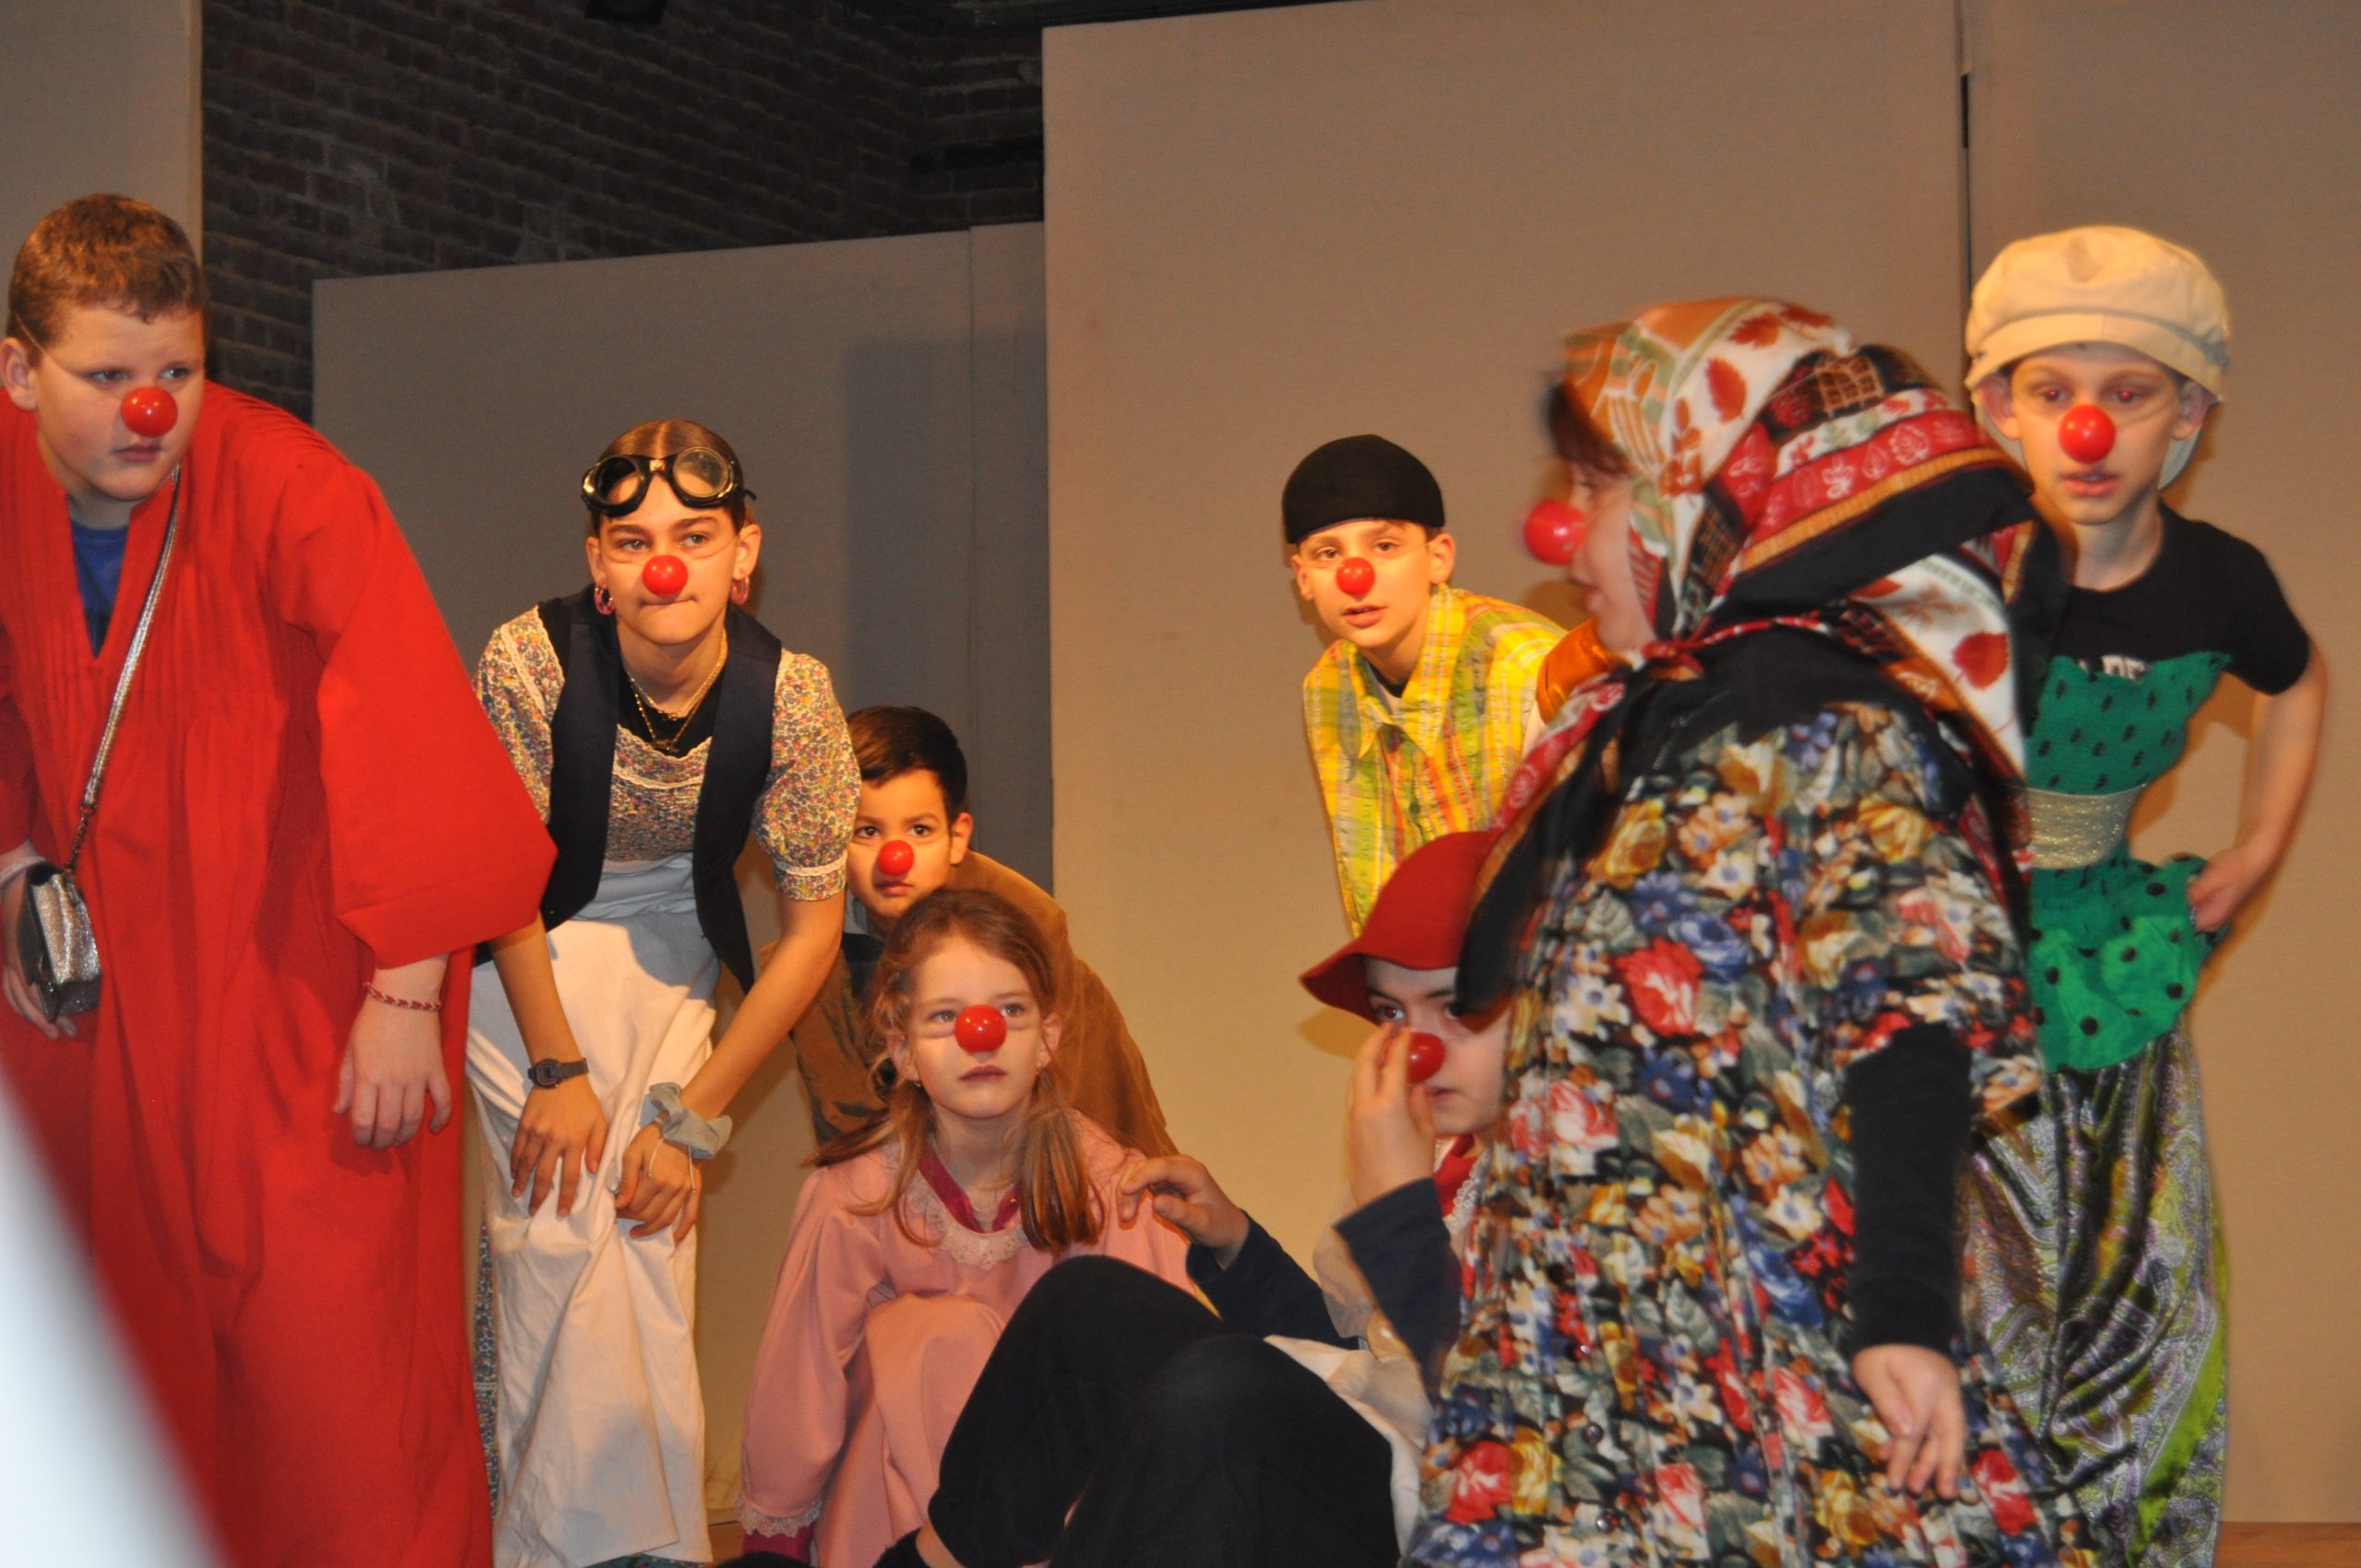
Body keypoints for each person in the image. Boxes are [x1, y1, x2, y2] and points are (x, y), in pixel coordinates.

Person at [1421, 298, 2097, 1564]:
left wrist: (1904, 1312)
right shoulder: (1638, 727)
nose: (1553, 529)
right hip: (1593, 1356)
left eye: (1595, 486)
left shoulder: (1828, 726)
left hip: (1756, 1347)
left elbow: (1911, 1025)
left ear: (1711, 495)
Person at [0, 194, 552, 1568]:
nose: (150, 412)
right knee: (126, 1382)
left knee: (334, 1401)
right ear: (17, 371)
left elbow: (413, 727)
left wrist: (407, 990)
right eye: (107, 376)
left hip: (300, 1008)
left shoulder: (294, 490)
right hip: (104, 1024)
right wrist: (12, 871)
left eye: (178, 372)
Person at [840, 829, 1512, 1568]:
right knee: (1087, 1306)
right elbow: (1368, 1354)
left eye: (1456, 1007)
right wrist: (1238, 1246)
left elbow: (1520, 1417)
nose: (1418, 1048)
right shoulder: (1441, 1156)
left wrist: (1398, 1226)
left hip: (1461, 1520)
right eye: (1391, 1014)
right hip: (1381, 1461)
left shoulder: (1582, 1197)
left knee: (1222, 1396)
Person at [1961, 227, 2327, 1565]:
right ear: (1997, 407)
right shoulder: (1962, 571)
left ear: (2190, 415)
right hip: (1961, 953)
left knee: (2137, 1269)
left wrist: (2261, 844)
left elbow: (2296, 678)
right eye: (2052, 390)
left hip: (2110, 946)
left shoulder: (2219, 581)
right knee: (1979, 1272)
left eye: (2131, 391)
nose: (2090, 426)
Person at [466, 419, 860, 1566]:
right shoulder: (529, 660)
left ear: (745, 554)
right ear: (599, 562)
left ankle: (656, 1540)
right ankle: (561, 1543)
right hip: (522, 946)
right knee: (560, 1221)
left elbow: (810, 935)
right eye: (633, 541)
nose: (665, 565)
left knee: (648, 1219)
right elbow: (498, 881)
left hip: (673, 940)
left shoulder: (792, 696)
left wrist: (694, 1120)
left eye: (694, 536)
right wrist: (557, 1067)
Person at [738, 888, 1189, 1565]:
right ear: (903, 1051)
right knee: (933, 1334)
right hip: (894, 1521)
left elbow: (1165, 1376)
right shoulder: (856, 1197)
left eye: (1011, 1011)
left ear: (1049, 1040)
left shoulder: (1108, 1188)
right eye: (945, 1017)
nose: (983, 1036)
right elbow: (800, 1380)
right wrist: (774, 1542)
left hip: (1061, 1514)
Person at [787, 706, 1172, 1154]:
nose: (895, 857)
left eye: (919, 829)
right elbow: (843, 1119)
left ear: (957, 838)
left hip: (1061, 1159)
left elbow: (1071, 1104)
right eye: (867, 831)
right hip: (901, 1172)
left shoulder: (1026, 924)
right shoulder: (812, 955)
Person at [1287, 434, 1560, 932]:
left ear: (1439, 558)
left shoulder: (1531, 671)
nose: (1355, 575)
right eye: (1327, 553)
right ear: (1303, 578)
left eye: (1384, 546)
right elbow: (1371, 883)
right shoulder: (1328, 687)